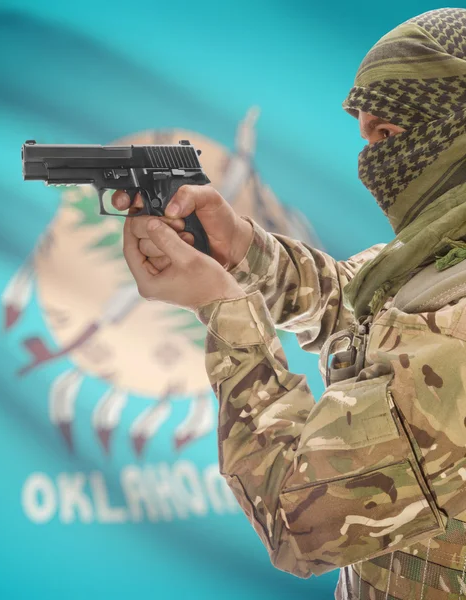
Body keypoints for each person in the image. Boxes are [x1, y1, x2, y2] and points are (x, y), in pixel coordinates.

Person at [112, 8, 466, 599]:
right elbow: (359, 306)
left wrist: (223, 308)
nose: (370, 163)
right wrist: (242, 249)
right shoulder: (440, 258)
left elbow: (299, 519)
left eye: (387, 136)